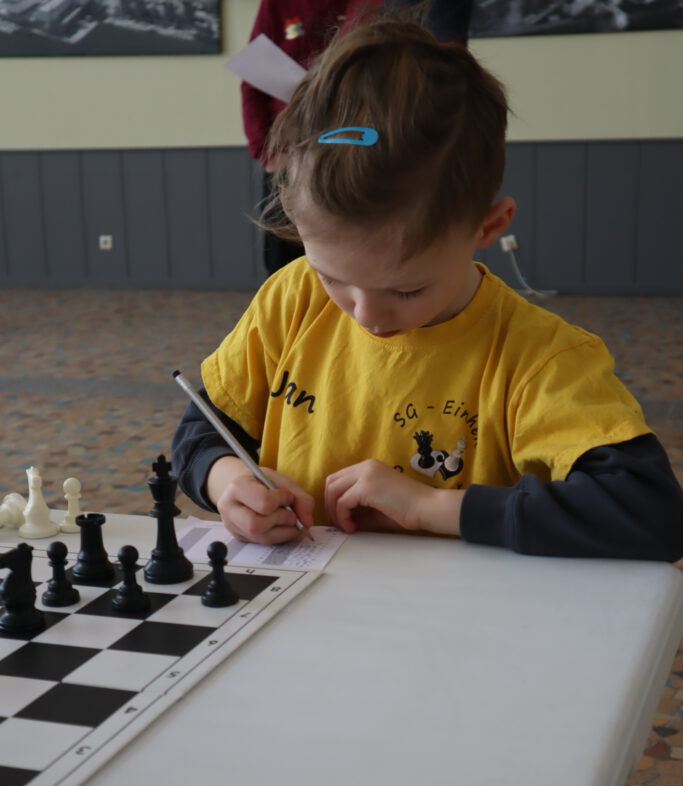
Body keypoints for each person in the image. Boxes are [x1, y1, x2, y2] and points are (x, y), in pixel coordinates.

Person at [173, 14, 683, 560]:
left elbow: (652, 514)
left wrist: (434, 507)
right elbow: (201, 434)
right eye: (334, 278)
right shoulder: (290, 300)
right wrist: (229, 483)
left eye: (407, 290)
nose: (367, 315)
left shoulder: (538, 358)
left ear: (487, 227)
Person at [241, 0, 380, 276]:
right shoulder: (276, 5)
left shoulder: (369, 5)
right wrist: (266, 152)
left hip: (352, 153)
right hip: (287, 156)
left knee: (349, 252)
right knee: (283, 255)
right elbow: (252, 82)